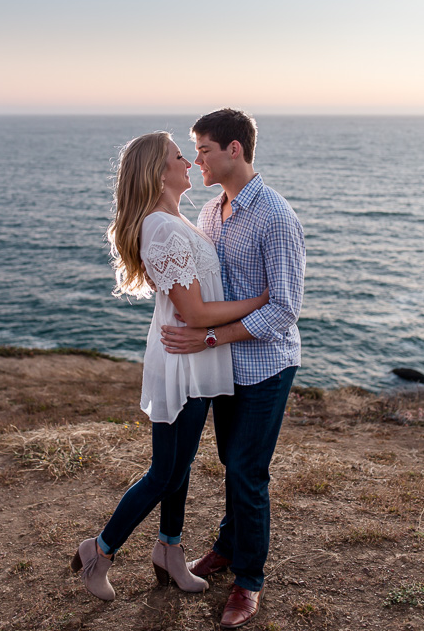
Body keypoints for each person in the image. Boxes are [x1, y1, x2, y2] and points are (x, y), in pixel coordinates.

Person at [70, 131, 269, 601]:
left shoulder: (176, 220)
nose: (190, 160)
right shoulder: (161, 228)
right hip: (183, 360)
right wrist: (258, 301)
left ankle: (169, 550)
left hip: (196, 359)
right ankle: (100, 551)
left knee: (179, 467)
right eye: (180, 155)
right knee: (165, 470)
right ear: (160, 173)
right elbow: (197, 313)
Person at [160, 109, 306, 629]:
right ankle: (227, 544)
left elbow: (284, 308)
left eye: (202, 149)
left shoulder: (276, 217)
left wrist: (211, 336)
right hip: (224, 366)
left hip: (266, 366)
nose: (195, 158)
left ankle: (248, 581)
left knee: (248, 471)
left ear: (234, 150)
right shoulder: (208, 214)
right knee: (231, 463)